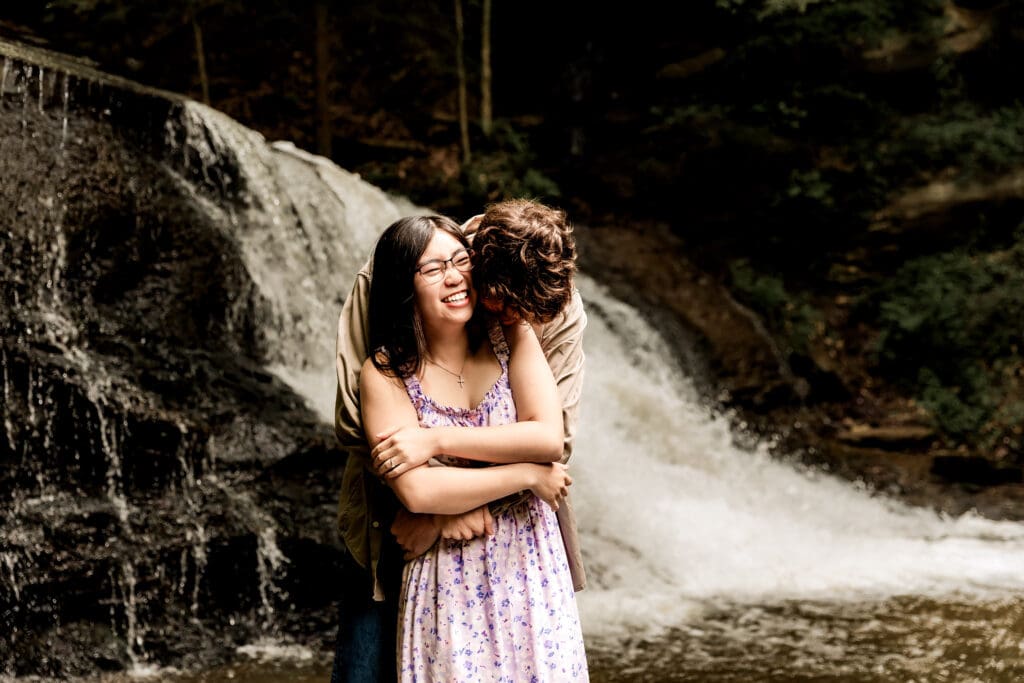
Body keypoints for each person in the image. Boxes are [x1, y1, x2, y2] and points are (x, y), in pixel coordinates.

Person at [331, 199, 587, 682]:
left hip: (519, 539)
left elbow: (553, 438)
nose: (510, 317)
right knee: (364, 668)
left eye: (522, 312)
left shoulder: (544, 305)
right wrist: (428, 505)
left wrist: (458, 488)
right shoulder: (396, 270)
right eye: (503, 304)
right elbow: (355, 424)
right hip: (395, 519)